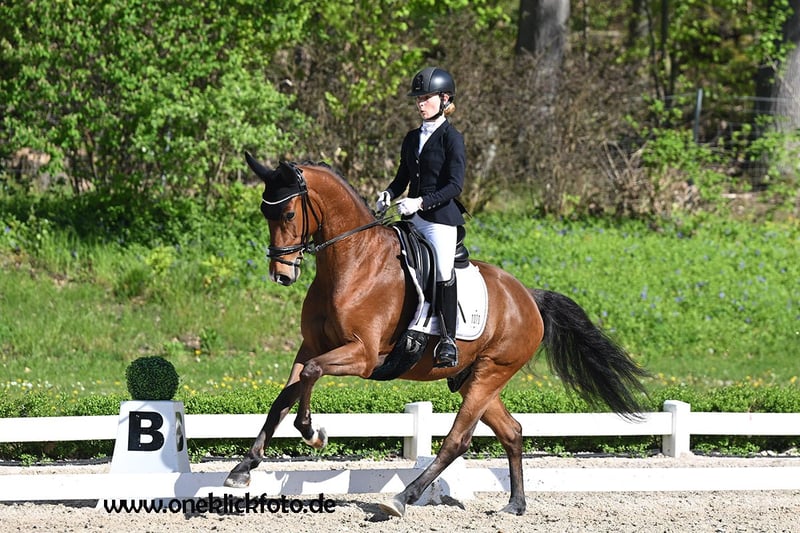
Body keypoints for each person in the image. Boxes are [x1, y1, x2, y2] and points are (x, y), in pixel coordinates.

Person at [376, 66, 466, 368]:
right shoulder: (412, 137)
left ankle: (448, 339)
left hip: (440, 219)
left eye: (426, 98)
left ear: (445, 99)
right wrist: (388, 194)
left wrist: (420, 202)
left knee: (442, 269)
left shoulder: (452, 138)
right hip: (411, 216)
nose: (420, 103)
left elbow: (455, 186)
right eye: (418, 98)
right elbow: (402, 177)